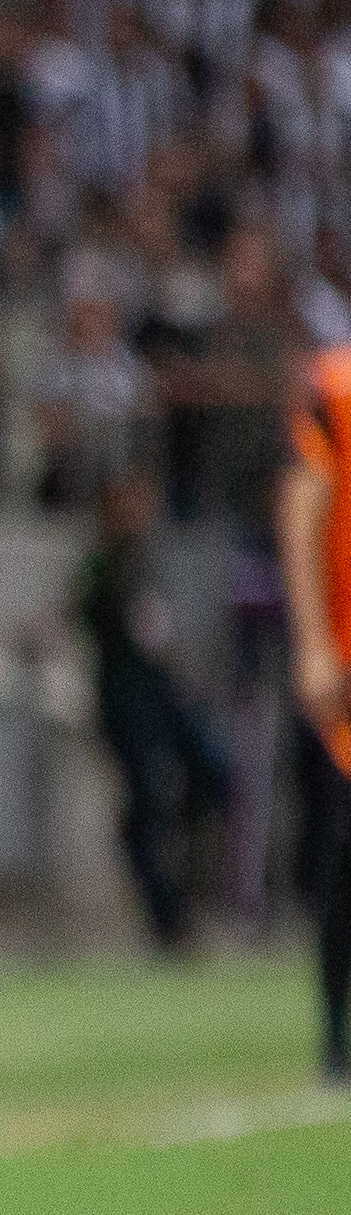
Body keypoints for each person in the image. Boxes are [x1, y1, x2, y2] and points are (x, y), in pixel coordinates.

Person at [75, 465, 229, 954]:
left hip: (162, 698)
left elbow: (157, 631)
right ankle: (169, 916)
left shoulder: (142, 559)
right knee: (147, 804)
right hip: (128, 702)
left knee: (211, 777)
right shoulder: (103, 565)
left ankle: (180, 892)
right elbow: (97, 617)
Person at [276, 341, 351, 1078]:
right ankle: (334, 1034)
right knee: (339, 852)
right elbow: (302, 504)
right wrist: (311, 641)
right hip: (346, 649)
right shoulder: (336, 384)